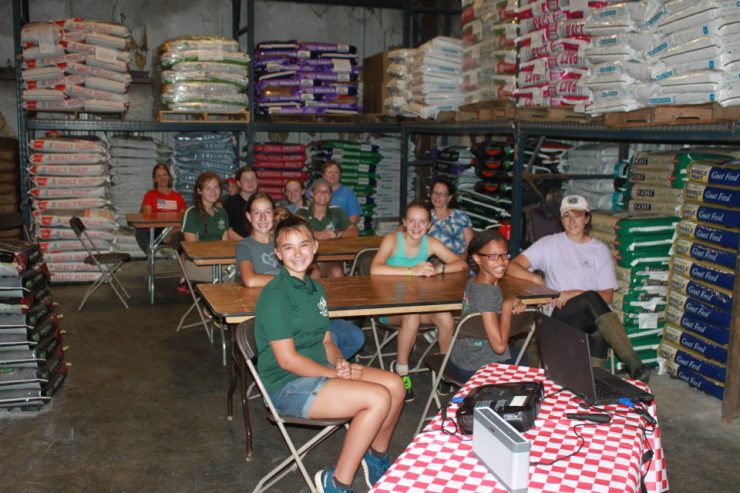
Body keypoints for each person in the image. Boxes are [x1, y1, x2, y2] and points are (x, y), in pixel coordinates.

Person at [256, 216, 405, 493]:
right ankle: (336, 483)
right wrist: (334, 373)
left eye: (303, 245)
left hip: (322, 369)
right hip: (286, 385)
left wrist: (338, 360)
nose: (297, 253)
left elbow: (326, 338)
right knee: (377, 397)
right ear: (277, 253)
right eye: (288, 248)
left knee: (396, 385)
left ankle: (375, 458)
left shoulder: (315, 289)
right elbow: (287, 359)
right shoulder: (276, 295)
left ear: (315, 247)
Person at [506, 194, 650, 382]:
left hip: (591, 317)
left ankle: (594, 382)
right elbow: (511, 266)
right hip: (558, 315)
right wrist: (534, 278)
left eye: (578, 215)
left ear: (587, 218)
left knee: (596, 322)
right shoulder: (549, 244)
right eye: (567, 215)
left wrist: (577, 293)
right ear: (561, 219)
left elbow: (607, 296)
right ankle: (634, 364)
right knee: (590, 299)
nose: (572, 220)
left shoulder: (599, 250)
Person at [236, 194, 364, 359]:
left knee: (355, 336)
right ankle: (315, 370)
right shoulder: (245, 246)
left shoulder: (284, 238)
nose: (262, 218)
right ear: (248, 216)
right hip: (278, 313)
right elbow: (250, 280)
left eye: (267, 212)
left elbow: (310, 270)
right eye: (256, 213)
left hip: (303, 308)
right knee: (332, 340)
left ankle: (322, 369)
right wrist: (293, 281)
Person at [370, 201, 467, 401]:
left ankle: (443, 369)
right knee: (412, 316)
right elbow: (375, 269)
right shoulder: (392, 240)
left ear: (429, 225)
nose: (416, 226)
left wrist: (439, 269)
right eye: (412, 221)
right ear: (404, 222)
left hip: (420, 305)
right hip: (390, 309)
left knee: (446, 318)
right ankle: (402, 371)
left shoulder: (430, 243)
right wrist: (411, 271)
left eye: (422, 222)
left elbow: (460, 264)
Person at [447, 230, 527, 382]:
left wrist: (508, 301)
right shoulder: (486, 292)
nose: (501, 261)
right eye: (492, 256)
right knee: (522, 357)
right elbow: (499, 347)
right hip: (476, 369)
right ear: (477, 258)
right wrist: (507, 305)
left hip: (460, 359)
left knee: (517, 354)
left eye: (504, 255)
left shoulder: (474, 281)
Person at [296, 178, 359, 278]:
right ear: (312, 194)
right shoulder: (302, 212)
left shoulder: (337, 211)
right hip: (308, 260)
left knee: (337, 272)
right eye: (319, 191)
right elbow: (295, 232)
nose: (323, 194)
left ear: (331, 195)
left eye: (326, 192)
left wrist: (338, 234)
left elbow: (354, 231)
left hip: (331, 260)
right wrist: (316, 234)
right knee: (314, 273)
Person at [180, 172, 230, 287]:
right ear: (199, 191)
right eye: (208, 188)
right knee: (237, 275)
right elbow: (191, 249)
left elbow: (226, 244)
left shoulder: (222, 213)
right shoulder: (191, 213)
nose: (213, 191)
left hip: (221, 263)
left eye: (216, 187)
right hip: (198, 265)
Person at [135, 163, 186, 253]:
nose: (162, 178)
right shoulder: (149, 195)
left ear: (169, 177)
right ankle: (151, 253)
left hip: (174, 229)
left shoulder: (178, 197)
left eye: (165, 175)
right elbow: (148, 218)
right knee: (139, 229)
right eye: (159, 176)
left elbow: (183, 219)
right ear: (155, 179)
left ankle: (170, 237)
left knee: (181, 231)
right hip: (155, 231)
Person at [428, 179, 473, 258]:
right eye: (435, 192)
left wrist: (462, 259)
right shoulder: (424, 216)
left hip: (459, 260)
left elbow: (471, 244)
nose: (438, 196)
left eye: (442, 194)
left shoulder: (461, 216)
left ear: (449, 198)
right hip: (432, 263)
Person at [308, 160, 362, 225]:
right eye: (329, 172)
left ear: (340, 175)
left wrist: (340, 229)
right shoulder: (314, 191)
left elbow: (355, 217)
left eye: (336, 172)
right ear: (323, 175)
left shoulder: (348, 192)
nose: (332, 175)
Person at [223, 166, 259, 240]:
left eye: (253, 179)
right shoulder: (231, 202)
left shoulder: (264, 201)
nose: (250, 182)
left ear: (257, 181)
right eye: (246, 179)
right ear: (239, 183)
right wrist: (245, 243)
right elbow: (227, 230)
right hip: (238, 244)